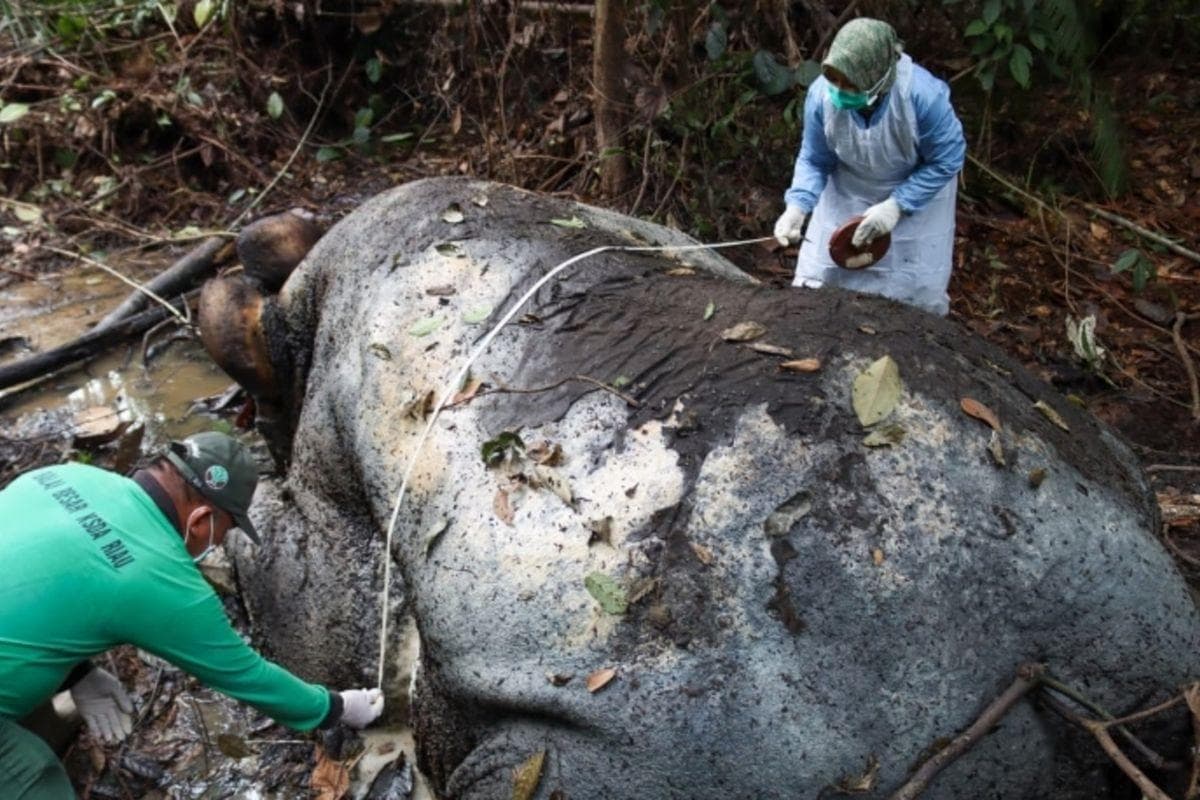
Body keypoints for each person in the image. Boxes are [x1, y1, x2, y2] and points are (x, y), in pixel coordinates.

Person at [0, 431, 384, 797]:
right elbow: (245, 674)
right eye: (224, 532)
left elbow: (31, 582)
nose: (217, 543)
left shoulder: (66, 476)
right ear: (200, 519)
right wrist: (335, 708)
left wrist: (78, 671)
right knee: (33, 776)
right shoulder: (162, 581)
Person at [773, 17, 966, 316]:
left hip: (916, 197)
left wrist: (897, 206)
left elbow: (948, 158)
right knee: (821, 282)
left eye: (849, 83)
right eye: (833, 79)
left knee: (913, 294)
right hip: (847, 193)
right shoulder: (820, 97)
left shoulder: (922, 98)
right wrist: (797, 206)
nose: (838, 90)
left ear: (877, 76)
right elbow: (814, 158)